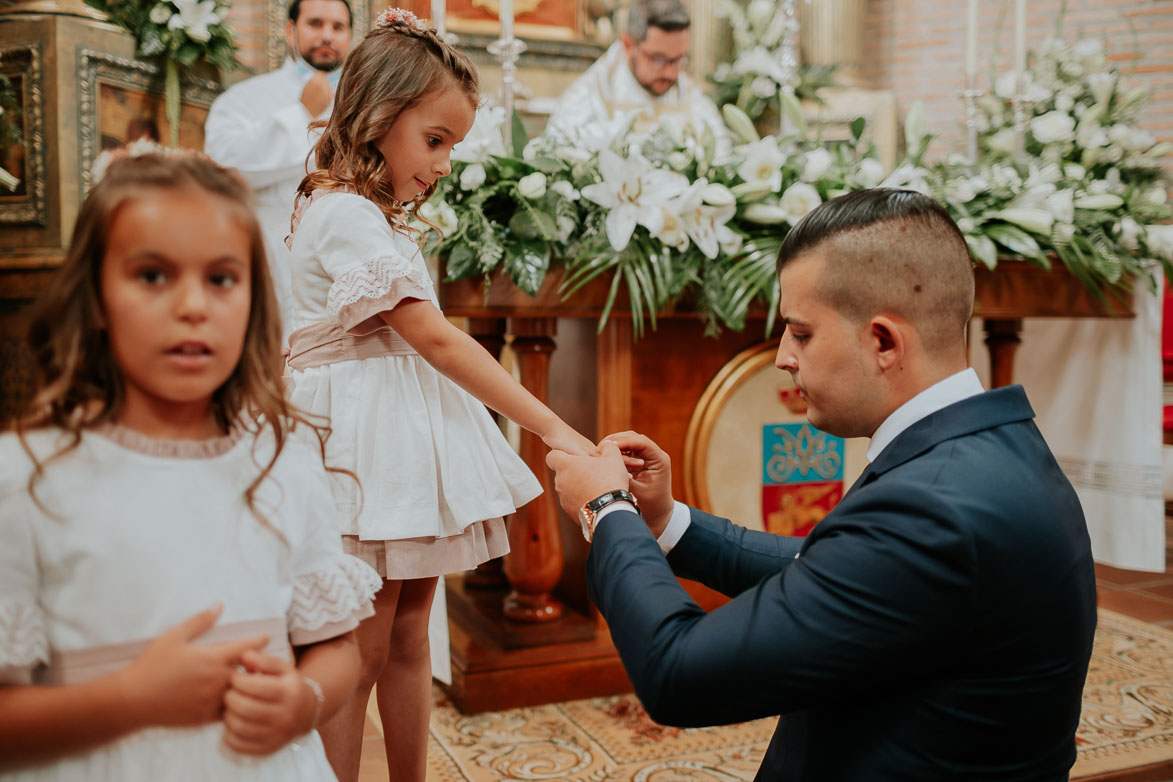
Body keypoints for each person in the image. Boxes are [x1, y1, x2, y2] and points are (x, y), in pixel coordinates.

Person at [547, 188, 1098, 781]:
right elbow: (832, 569)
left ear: (884, 341)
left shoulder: (935, 505)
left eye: (801, 333)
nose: (783, 356)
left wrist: (606, 509)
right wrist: (664, 522)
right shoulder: (987, 447)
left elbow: (680, 675)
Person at [284, 9, 596, 782]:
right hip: (358, 440)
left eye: (452, 145)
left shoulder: (377, 218)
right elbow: (430, 336)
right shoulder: (342, 212)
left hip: (398, 430)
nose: (446, 162)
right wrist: (553, 427)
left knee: (409, 632)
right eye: (436, 140)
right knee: (359, 641)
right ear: (379, 117)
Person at [0, 151, 382, 779]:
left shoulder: (282, 460)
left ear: (254, 301)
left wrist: (301, 701)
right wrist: (130, 700)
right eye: (152, 276)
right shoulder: (29, 479)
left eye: (222, 279)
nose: (193, 307)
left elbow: (334, 649)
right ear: (94, 298)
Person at [204, 0, 353, 336]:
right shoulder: (244, 99)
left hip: (347, 258)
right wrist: (301, 114)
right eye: (315, 24)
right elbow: (224, 166)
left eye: (338, 27)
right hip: (270, 259)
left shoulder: (364, 100)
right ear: (290, 30)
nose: (327, 35)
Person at [545, 0, 728, 146]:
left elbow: (720, 157)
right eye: (658, 59)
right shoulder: (584, 103)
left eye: (678, 59)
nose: (671, 72)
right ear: (628, 44)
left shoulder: (695, 102)